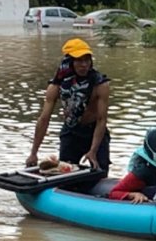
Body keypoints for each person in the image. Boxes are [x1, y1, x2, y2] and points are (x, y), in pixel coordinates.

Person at [26, 38, 111, 176]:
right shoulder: (56, 86)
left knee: (100, 172)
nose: (84, 65)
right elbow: (44, 119)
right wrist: (33, 153)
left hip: (94, 131)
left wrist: (93, 151)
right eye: (79, 61)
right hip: (71, 131)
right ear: (70, 62)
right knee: (65, 173)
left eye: (87, 60)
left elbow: (102, 120)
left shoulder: (100, 84)